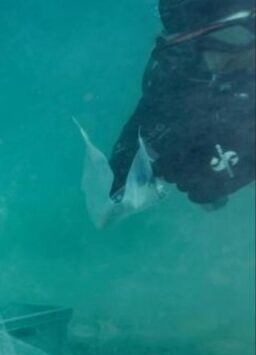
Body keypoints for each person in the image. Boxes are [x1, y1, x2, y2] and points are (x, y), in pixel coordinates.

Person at [108, 0, 254, 208]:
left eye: (225, 41)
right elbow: (116, 183)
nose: (211, 61)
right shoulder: (183, 74)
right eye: (190, 50)